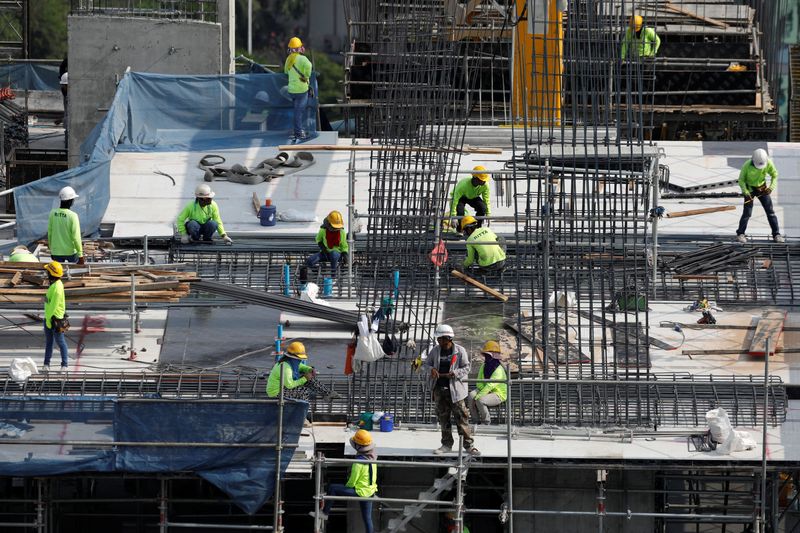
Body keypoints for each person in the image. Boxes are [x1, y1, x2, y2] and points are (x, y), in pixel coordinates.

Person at [425, 324, 480, 456]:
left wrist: (455, 373)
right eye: (438, 339)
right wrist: (431, 369)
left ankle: (469, 445)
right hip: (439, 389)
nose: (439, 341)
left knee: (462, 417)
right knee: (443, 418)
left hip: (455, 391)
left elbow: (467, 367)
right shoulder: (435, 351)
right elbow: (426, 364)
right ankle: (446, 444)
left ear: (449, 338)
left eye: (442, 339)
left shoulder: (460, 351)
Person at [311, 429, 377, 532]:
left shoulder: (358, 462)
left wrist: (346, 487)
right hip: (370, 491)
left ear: (358, 446)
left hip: (361, 491)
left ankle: (325, 513)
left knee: (333, 488)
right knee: (367, 518)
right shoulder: (373, 458)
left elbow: (352, 481)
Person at [736, 148, 783, 243]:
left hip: (762, 189)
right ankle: (740, 234)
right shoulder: (747, 165)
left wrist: (771, 188)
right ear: (753, 160)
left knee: (770, 212)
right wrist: (746, 192)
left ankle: (776, 234)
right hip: (749, 190)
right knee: (747, 213)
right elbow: (741, 180)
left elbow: (775, 175)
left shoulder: (768, 163)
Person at [266, 341, 337, 400]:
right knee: (305, 392)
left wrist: (309, 369)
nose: (300, 360)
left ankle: (327, 393)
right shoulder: (286, 368)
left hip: (284, 387)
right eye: (299, 358)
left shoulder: (290, 361)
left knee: (310, 379)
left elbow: (300, 366)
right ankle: (300, 414)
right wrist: (305, 378)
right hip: (276, 393)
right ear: (293, 357)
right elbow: (290, 385)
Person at [467, 341, 507, 425]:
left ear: (494, 356)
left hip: (498, 394)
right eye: (486, 355)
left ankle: (486, 422)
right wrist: (483, 392)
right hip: (485, 390)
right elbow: (479, 381)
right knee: (471, 396)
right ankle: (475, 421)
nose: (487, 357)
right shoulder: (483, 366)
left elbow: (490, 385)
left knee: (480, 400)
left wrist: (479, 395)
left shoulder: (499, 369)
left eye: (488, 355)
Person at [302, 211, 349, 280]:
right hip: (325, 253)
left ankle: (333, 275)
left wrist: (345, 254)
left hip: (336, 254)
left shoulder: (341, 232)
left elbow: (344, 245)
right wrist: (323, 248)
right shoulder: (323, 230)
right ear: (328, 224)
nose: (336, 229)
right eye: (334, 227)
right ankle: (318, 273)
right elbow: (318, 240)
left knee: (334, 254)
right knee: (309, 261)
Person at [285, 36, 313, 141]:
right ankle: (298, 133)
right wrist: (306, 76)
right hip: (302, 90)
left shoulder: (288, 59)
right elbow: (309, 66)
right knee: (299, 112)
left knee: (297, 111)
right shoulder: (303, 59)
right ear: (300, 48)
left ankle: (298, 130)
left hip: (291, 90)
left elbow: (285, 72)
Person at [47, 186, 84, 264]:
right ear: (70, 201)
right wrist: (80, 255)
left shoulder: (52, 213)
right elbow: (76, 237)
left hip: (56, 252)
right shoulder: (73, 216)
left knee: (58, 273)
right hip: (70, 253)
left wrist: (52, 250)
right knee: (75, 274)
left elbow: (50, 233)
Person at [43, 261, 69, 372]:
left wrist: (48, 320)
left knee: (61, 342)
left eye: (47, 271)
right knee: (49, 342)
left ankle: (64, 365)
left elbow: (53, 306)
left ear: (51, 273)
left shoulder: (57, 287)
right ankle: (46, 364)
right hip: (51, 318)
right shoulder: (55, 284)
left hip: (55, 320)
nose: (46, 273)